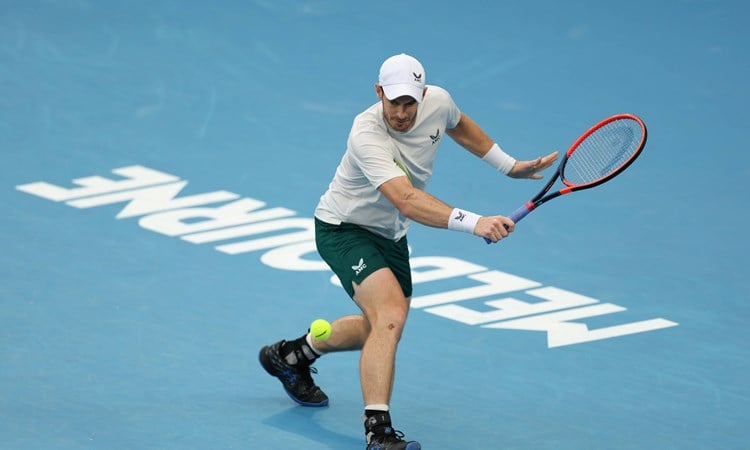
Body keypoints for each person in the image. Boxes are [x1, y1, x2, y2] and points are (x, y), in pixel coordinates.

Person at [259, 53, 558, 450]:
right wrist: (476, 222)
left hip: (390, 235)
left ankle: (293, 354)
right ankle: (377, 432)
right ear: (379, 92)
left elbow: (459, 124)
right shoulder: (366, 134)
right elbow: (406, 199)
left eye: (409, 103)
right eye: (393, 102)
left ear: (422, 95)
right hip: (343, 228)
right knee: (390, 315)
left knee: (381, 327)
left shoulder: (439, 101)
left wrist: (508, 166)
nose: (401, 113)